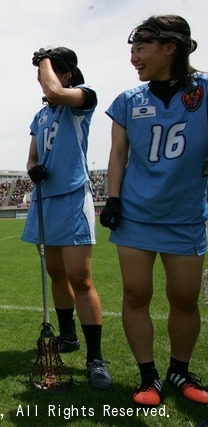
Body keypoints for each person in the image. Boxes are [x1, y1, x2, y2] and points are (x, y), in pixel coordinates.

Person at [102, 15, 208, 406]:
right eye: (132, 48)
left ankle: (179, 369)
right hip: (136, 215)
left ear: (171, 47)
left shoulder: (206, 90)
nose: (134, 55)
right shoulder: (129, 101)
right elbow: (117, 153)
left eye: (142, 46)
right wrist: (113, 198)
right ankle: (149, 377)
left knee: (185, 299)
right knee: (135, 296)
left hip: (186, 215)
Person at [20, 47, 111, 390]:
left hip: (73, 197)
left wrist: (43, 57)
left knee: (80, 278)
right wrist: (34, 169)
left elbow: (56, 90)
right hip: (45, 200)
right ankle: (69, 336)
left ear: (68, 74)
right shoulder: (39, 116)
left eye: (49, 71)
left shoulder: (82, 99)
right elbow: (31, 156)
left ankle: (96, 357)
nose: (42, 79)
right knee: (56, 272)